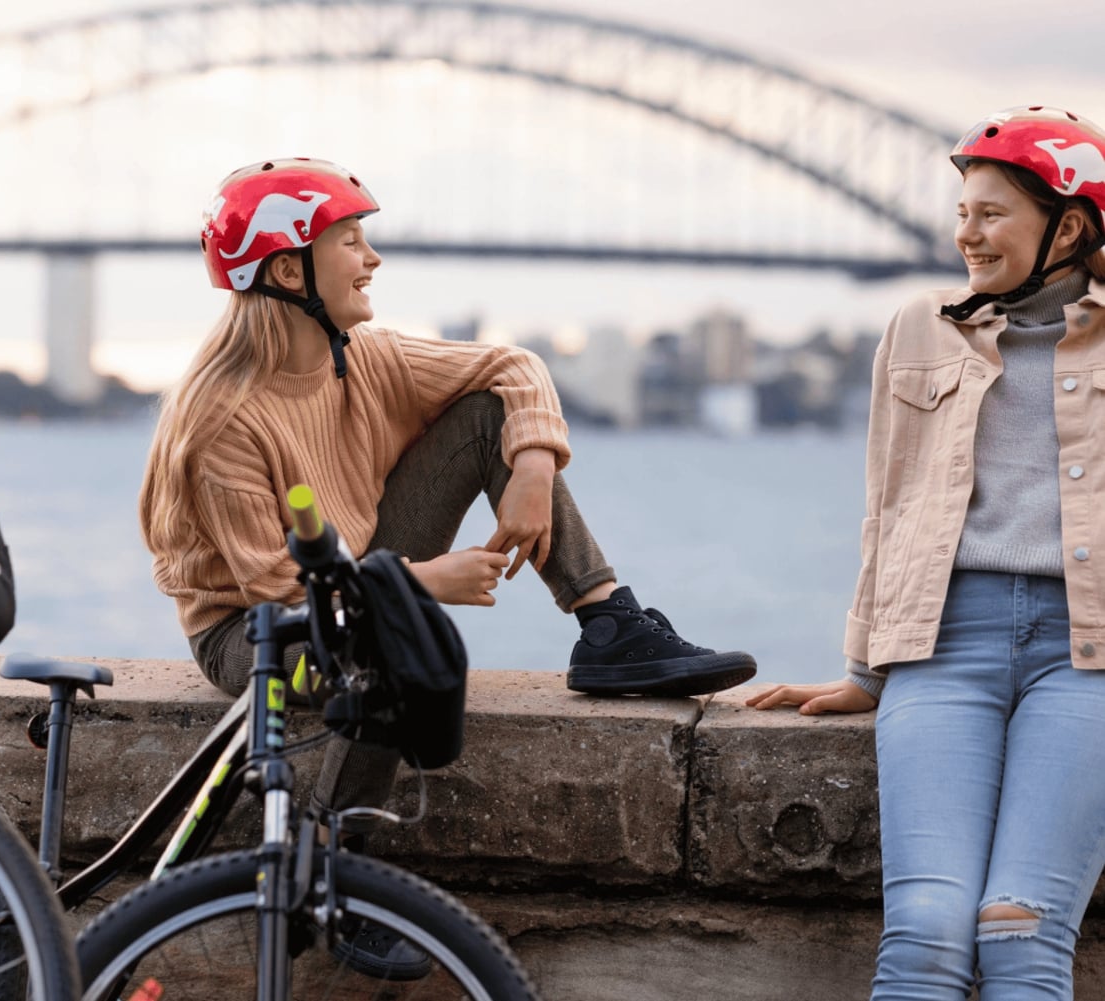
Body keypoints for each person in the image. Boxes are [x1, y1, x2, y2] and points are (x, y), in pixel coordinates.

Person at [138, 158, 757, 972]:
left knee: (489, 411)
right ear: (289, 271)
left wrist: (532, 464)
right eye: (349, 241)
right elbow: (280, 591)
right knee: (388, 651)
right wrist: (428, 582)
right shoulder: (223, 419)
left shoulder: (364, 357)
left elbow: (513, 367)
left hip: (356, 569)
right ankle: (332, 864)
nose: (372, 258)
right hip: (253, 631)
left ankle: (608, 622)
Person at [748, 106, 1105, 1000]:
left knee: (1021, 931)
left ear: (1068, 228)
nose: (965, 235)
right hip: (943, 647)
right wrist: (863, 667)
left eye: (992, 214)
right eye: (962, 212)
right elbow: (891, 504)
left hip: (1089, 659)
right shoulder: (920, 327)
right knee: (926, 933)